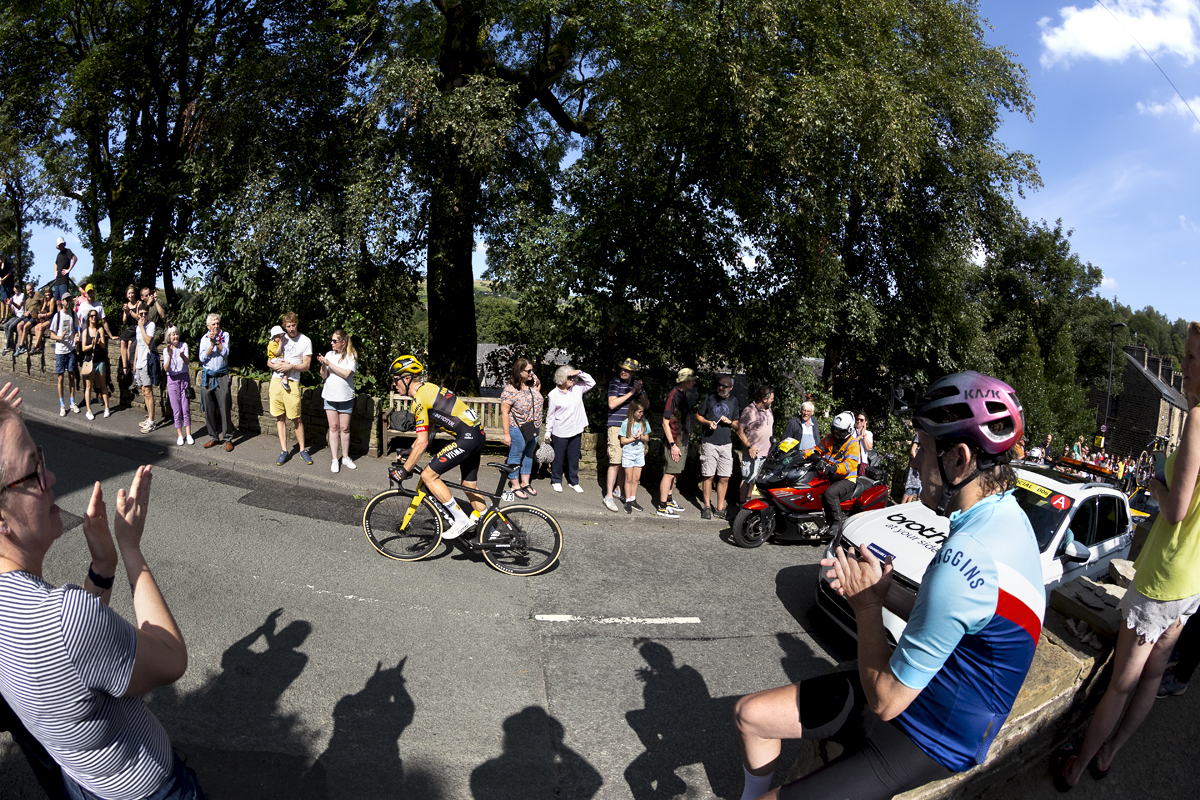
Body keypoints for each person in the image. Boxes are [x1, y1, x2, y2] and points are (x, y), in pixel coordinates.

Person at [734, 370, 1041, 800]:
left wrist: (865, 607)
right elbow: (955, 618)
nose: (914, 461)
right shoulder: (1003, 518)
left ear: (960, 459)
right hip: (920, 686)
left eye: (924, 448)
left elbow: (884, 701)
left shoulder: (967, 555)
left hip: (933, 733)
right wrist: (883, 593)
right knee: (749, 714)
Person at [0, 390, 207, 800]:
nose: (52, 477)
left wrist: (102, 569)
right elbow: (170, 658)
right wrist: (131, 550)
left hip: (86, 781)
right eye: (33, 470)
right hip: (150, 789)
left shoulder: (43, 619)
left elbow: (75, 665)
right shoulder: (62, 617)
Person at [1055, 321, 1200, 790]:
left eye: (1194, 358)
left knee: (1122, 682)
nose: (1185, 365)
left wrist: (1155, 481)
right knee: (1153, 677)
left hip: (1164, 573)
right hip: (1192, 578)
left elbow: (1175, 509)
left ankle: (1077, 766)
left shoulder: (1197, 419)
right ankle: (1110, 753)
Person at [389, 355, 488, 539]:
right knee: (469, 485)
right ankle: (490, 530)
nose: (394, 384)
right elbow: (430, 426)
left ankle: (461, 520)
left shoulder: (419, 399)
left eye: (396, 380)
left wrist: (404, 470)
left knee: (428, 475)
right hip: (476, 435)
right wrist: (411, 450)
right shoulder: (429, 389)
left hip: (467, 437)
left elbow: (423, 442)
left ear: (407, 378)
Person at [803, 411, 861, 539]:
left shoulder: (853, 445)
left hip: (846, 479)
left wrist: (834, 468)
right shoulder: (829, 438)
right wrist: (804, 455)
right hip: (830, 475)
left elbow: (849, 465)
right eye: (834, 428)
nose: (836, 432)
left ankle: (837, 523)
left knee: (830, 493)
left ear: (848, 430)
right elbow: (817, 449)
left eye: (840, 430)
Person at [604, 358, 650, 513]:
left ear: (634, 372)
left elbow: (647, 405)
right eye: (622, 369)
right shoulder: (615, 382)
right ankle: (608, 496)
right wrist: (631, 393)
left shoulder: (637, 383)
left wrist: (639, 392)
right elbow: (612, 404)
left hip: (632, 426)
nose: (623, 371)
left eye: (627, 370)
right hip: (616, 425)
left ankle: (619, 490)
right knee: (615, 462)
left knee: (626, 462)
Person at [543, 365, 596, 493]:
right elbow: (550, 415)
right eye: (570, 377)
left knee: (574, 457)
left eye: (574, 377)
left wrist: (580, 372)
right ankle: (556, 480)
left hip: (576, 429)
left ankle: (574, 481)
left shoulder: (577, 388)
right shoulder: (553, 394)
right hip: (560, 431)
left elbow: (592, 382)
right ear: (562, 379)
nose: (573, 379)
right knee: (558, 458)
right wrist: (547, 432)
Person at [270, 312, 313, 466]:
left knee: (296, 417)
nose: (291, 329)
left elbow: (307, 366)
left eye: (293, 325)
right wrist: (275, 365)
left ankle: (302, 450)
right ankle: (284, 450)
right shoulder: (280, 338)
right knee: (279, 417)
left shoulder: (305, 341)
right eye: (288, 326)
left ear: (297, 323)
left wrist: (291, 366)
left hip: (292, 382)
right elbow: (269, 360)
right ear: (284, 326)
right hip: (276, 380)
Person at [696, 376, 741, 520]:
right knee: (708, 475)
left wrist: (729, 422)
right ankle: (707, 507)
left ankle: (720, 508)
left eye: (724, 386)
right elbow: (698, 416)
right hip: (710, 441)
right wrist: (708, 422)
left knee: (724, 477)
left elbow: (737, 424)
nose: (721, 388)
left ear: (731, 388)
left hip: (726, 443)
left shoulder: (733, 401)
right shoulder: (709, 397)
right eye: (719, 385)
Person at [500, 358, 544, 499]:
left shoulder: (533, 381)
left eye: (532, 370)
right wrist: (507, 434)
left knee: (528, 454)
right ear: (519, 372)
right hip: (517, 427)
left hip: (534, 426)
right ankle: (515, 485)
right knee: (516, 455)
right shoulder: (510, 389)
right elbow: (505, 412)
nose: (532, 373)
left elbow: (538, 385)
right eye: (528, 371)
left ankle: (525, 483)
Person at [656, 368, 697, 518]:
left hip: (681, 441)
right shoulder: (673, 396)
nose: (694, 381)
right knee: (669, 473)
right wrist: (673, 445)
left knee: (674, 473)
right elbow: (665, 423)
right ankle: (661, 507)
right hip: (675, 442)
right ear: (684, 381)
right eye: (692, 379)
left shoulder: (682, 394)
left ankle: (669, 500)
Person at [317, 328, 357, 473]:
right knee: (333, 427)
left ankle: (345, 457)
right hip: (330, 396)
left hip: (345, 397)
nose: (332, 343)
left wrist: (329, 363)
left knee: (344, 428)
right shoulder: (329, 355)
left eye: (335, 341)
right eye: (331, 340)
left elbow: (346, 374)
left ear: (342, 342)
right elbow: (323, 376)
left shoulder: (351, 356)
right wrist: (323, 364)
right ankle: (335, 459)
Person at [198, 313, 234, 451]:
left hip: (221, 376)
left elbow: (225, 353)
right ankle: (213, 437)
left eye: (218, 323)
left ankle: (228, 438)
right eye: (213, 324)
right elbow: (202, 358)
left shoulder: (225, 336)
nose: (216, 326)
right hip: (208, 377)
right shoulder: (203, 339)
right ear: (208, 326)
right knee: (209, 408)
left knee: (224, 407)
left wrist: (217, 343)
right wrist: (211, 346)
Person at [738, 384, 775, 504]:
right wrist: (750, 446)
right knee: (747, 478)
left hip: (766, 453)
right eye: (771, 398)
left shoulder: (768, 409)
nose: (772, 400)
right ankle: (742, 505)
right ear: (764, 399)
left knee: (755, 480)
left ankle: (749, 503)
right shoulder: (750, 411)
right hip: (754, 452)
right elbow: (739, 431)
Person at [48, 293, 80, 416]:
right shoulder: (57, 316)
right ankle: (62, 405)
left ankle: (72, 403)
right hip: (60, 351)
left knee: (71, 376)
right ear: (61, 301)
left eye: (69, 300)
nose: (68, 302)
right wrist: (59, 338)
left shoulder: (73, 314)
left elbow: (77, 331)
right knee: (60, 378)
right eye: (65, 300)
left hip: (71, 349)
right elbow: (51, 335)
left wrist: (77, 337)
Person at [162, 326, 194, 446]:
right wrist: (170, 355)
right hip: (172, 380)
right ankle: (180, 435)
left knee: (185, 407)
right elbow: (166, 368)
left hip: (184, 378)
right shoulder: (166, 350)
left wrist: (182, 356)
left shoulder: (184, 345)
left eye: (176, 334)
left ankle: (188, 434)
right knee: (176, 409)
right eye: (172, 335)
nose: (175, 336)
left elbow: (187, 362)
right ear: (169, 337)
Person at [619, 399, 652, 513]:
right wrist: (633, 438)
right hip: (628, 453)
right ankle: (627, 500)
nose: (641, 414)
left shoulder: (644, 422)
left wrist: (641, 437)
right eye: (639, 412)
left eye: (642, 412)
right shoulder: (626, 423)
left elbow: (647, 438)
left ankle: (633, 499)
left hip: (639, 453)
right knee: (628, 478)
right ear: (633, 411)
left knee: (636, 478)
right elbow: (622, 440)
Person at [79, 308, 112, 420]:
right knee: (88, 386)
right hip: (89, 361)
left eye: (95, 315)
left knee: (103, 385)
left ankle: (107, 408)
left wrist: (99, 343)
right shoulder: (85, 332)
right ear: (88, 318)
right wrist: (92, 345)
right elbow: (83, 348)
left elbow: (103, 346)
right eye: (91, 316)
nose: (93, 317)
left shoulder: (100, 330)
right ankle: (88, 410)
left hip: (99, 361)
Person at [133, 305, 158, 432]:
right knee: (144, 391)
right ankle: (149, 418)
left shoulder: (150, 326)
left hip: (147, 363)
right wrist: (134, 363)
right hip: (139, 364)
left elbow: (148, 340)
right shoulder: (138, 328)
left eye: (145, 314)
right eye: (141, 314)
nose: (143, 316)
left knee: (148, 392)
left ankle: (152, 421)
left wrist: (142, 327)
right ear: (137, 314)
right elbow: (138, 344)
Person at [26, 287, 55, 354]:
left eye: (48, 292)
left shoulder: (52, 300)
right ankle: (39, 346)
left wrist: (42, 315)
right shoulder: (46, 301)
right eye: (46, 292)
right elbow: (43, 309)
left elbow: (51, 313)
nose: (47, 294)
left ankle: (35, 346)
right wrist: (39, 313)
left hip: (52, 319)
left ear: (51, 292)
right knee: (36, 327)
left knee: (41, 327)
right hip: (46, 318)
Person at [119, 284, 139, 378]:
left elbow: (138, 318)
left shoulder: (138, 304)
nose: (131, 295)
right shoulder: (126, 305)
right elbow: (124, 321)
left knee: (130, 342)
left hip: (136, 328)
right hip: (129, 328)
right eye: (129, 293)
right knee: (123, 342)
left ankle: (130, 367)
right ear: (127, 295)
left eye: (132, 293)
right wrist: (125, 313)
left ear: (134, 293)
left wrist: (130, 311)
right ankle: (124, 367)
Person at [2, 282, 28, 354]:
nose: (16, 289)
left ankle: (8, 345)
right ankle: (10, 344)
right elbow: (13, 311)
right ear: (13, 289)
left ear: (20, 288)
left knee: (11, 326)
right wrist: (9, 305)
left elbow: (19, 307)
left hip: (21, 316)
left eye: (18, 287)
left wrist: (12, 302)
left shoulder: (22, 295)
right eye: (15, 287)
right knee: (5, 326)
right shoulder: (13, 297)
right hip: (16, 316)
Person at [267, 325, 291, 392]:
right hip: (274, 358)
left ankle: (284, 379)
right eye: (278, 337)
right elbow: (276, 353)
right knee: (286, 365)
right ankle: (285, 380)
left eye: (281, 336)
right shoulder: (273, 344)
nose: (280, 339)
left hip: (276, 358)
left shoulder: (274, 343)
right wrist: (280, 345)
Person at [52, 236, 76, 301]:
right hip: (57, 280)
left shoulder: (67, 251)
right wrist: (55, 272)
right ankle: (59, 311)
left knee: (63, 299)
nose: (60, 245)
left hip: (63, 280)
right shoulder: (58, 254)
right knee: (57, 301)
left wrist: (68, 269)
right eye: (59, 245)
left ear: (64, 244)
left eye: (61, 244)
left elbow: (75, 258)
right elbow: (56, 264)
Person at [902, 432, 922, 503]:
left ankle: (908, 505)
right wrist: (918, 462)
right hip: (915, 466)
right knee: (910, 488)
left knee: (914, 489)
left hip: (918, 466)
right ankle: (901, 506)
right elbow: (913, 451)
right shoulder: (919, 436)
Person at [0, 254, 13, 323]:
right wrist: (0, 280)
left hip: (8, 283)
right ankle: (1, 317)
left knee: (6, 300)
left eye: (1, 256)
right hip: (3, 283)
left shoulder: (7, 263)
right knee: (2, 300)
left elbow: (10, 273)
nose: (1, 258)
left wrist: (3, 279)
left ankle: (6, 317)